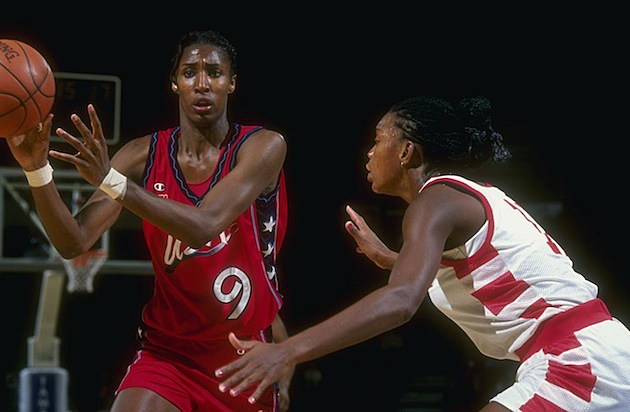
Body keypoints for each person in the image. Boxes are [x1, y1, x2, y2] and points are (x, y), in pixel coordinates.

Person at [214, 95, 630, 410]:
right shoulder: (463, 197)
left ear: (407, 151)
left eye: (379, 139)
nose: (370, 152)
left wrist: (287, 351)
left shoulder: (434, 202)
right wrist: (392, 260)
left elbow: (400, 302)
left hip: (575, 359)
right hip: (598, 348)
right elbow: (495, 270)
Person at [7, 30, 293, 412]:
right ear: (175, 83)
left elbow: (204, 225)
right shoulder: (141, 155)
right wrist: (36, 169)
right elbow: (73, 241)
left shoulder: (264, 146)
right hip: (169, 354)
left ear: (232, 83)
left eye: (214, 72)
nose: (202, 83)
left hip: (244, 354)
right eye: (189, 72)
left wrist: (112, 181)